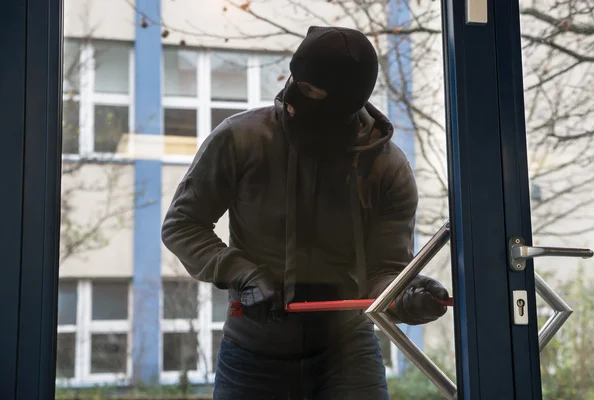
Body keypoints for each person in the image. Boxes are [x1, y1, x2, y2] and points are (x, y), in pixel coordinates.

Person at [162, 26, 449, 400]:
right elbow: (182, 225)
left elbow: (384, 272)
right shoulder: (241, 139)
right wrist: (242, 274)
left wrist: (405, 295)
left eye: (312, 91)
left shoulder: (386, 168)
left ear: (348, 101)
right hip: (251, 353)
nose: (294, 97)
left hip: (348, 355)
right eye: (297, 81)